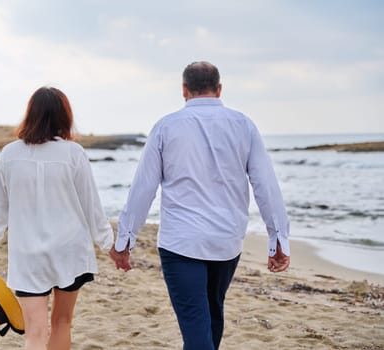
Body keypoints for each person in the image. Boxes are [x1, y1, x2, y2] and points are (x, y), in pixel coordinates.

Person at [110, 61, 290, 350]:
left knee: (198, 321)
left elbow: (143, 188)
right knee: (211, 312)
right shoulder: (244, 125)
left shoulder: (165, 126)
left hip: (181, 242)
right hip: (227, 240)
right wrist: (278, 237)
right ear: (219, 89)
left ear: (184, 90)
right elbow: (266, 185)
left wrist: (125, 240)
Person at [0, 86, 113, 350]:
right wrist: (110, 246)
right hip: (69, 251)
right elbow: (92, 206)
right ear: (64, 117)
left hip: (28, 254)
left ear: (31, 115)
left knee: (35, 332)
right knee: (62, 322)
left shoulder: (10, 154)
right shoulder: (73, 154)